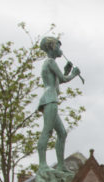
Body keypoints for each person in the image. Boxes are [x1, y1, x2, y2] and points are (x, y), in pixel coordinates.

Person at [37, 36, 81, 172]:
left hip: (50, 98)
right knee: (47, 131)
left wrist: (67, 71)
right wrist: (73, 74)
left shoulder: (50, 64)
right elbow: (62, 79)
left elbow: (57, 80)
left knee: (62, 133)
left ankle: (61, 165)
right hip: (50, 99)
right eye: (58, 46)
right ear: (52, 47)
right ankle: (42, 164)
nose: (60, 49)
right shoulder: (50, 62)